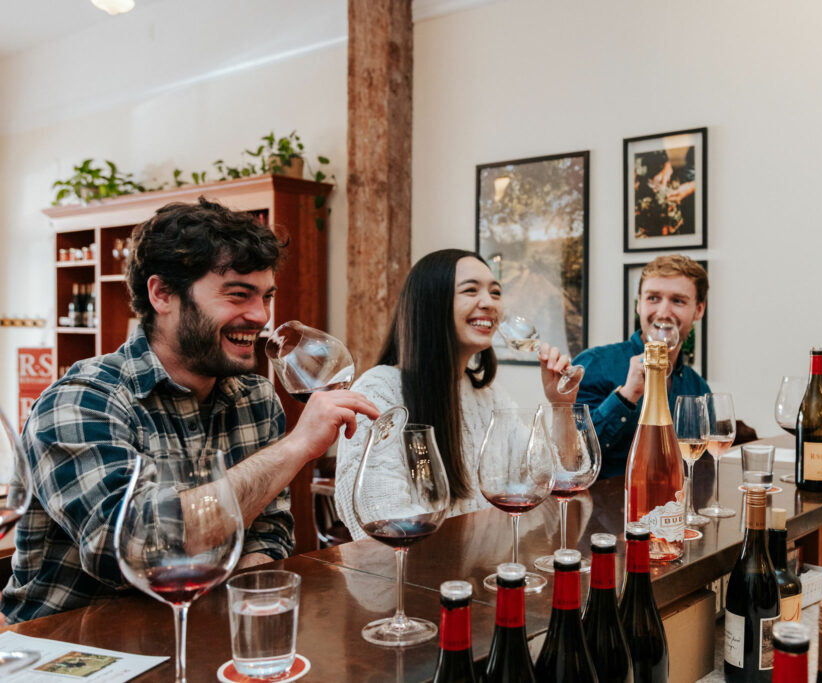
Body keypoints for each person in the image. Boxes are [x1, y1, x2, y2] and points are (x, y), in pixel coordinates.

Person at [1, 198, 378, 624]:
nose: (260, 316)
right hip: (70, 652)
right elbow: (131, 552)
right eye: (238, 295)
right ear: (162, 294)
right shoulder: (81, 400)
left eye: (266, 296)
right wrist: (296, 449)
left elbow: (269, 531)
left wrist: (241, 611)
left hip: (196, 636)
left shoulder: (256, 399)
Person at [334, 249, 575, 539]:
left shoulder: (490, 397)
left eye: (495, 292)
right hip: (409, 578)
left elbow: (552, 478)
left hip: (481, 575)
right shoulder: (378, 391)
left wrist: (561, 405)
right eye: (471, 290)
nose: (489, 303)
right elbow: (378, 517)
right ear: (430, 303)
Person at [574, 255, 709, 479]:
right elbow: (572, 458)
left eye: (678, 301)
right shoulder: (592, 365)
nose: (664, 312)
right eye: (653, 298)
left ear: (699, 310)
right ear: (639, 304)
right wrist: (626, 396)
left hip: (674, 511)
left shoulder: (698, 388)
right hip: (604, 512)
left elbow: (701, 469)